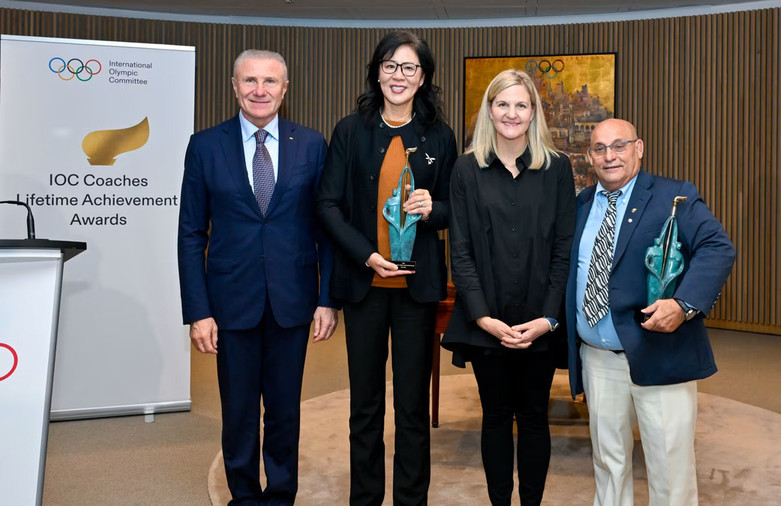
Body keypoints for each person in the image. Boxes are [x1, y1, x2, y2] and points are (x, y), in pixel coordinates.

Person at [177, 49, 337, 506]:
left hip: (293, 299)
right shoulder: (205, 146)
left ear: (286, 89)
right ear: (234, 86)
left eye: (270, 82)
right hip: (230, 302)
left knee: (285, 411)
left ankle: (281, 495)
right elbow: (190, 233)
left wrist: (327, 299)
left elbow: (325, 228)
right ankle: (244, 497)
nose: (260, 90)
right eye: (250, 81)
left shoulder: (310, 144)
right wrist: (199, 310)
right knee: (239, 412)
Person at [315, 31, 457, 505]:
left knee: (413, 407)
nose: (399, 76)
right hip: (365, 285)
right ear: (377, 72)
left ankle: (411, 500)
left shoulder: (439, 134)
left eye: (410, 68)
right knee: (366, 405)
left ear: (423, 78)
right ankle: (366, 498)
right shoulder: (351, 130)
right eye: (391, 66)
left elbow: (455, 208)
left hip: (418, 289)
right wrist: (365, 254)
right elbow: (328, 205)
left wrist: (431, 207)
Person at [565, 118, 735, 505]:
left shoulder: (674, 196)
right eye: (599, 148)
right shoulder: (582, 204)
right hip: (597, 357)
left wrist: (684, 304)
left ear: (638, 148)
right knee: (609, 463)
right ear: (589, 156)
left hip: (659, 351)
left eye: (619, 145)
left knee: (669, 467)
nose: (609, 156)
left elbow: (717, 247)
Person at [441, 69, 576, 506]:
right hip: (487, 320)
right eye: (503, 104)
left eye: (521, 104)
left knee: (534, 417)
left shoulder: (557, 168)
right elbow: (459, 250)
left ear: (533, 111)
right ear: (489, 110)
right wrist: (483, 317)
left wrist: (549, 317)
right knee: (496, 417)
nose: (511, 113)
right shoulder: (466, 168)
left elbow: (563, 249)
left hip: (541, 318)